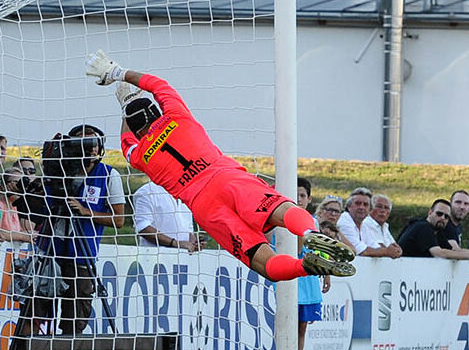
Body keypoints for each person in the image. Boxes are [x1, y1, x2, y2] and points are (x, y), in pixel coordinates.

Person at [84, 49, 356, 280]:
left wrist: (125, 106)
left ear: (137, 131)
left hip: (204, 205)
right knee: (281, 209)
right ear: (158, 111)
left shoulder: (141, 154)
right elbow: (159, 85)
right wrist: (119, 72)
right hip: (225, 177)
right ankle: (310, 232)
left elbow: (126, 143)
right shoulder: (179, 116)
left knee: (263, 263)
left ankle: (303, 267)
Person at [45, 123, 126, 335]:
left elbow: (119, 220)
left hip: (82, 255)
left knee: (76, 317)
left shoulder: (109, 175)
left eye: (93, 143)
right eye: (82, 142)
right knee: (36, 311)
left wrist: (85, 211)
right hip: (50, 249)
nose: (89, 148)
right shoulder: (59, 170)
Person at [295, 177, 330, 350]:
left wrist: (326, 271)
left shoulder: (312, 221)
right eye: (295, 195)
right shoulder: (283, 218)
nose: (298, 199)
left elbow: (317, 247)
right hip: (290, 277)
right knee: (287, 326)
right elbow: (297, 250)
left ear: (309, 199)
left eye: (302, 196)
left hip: (308, 281)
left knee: (301, 327)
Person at [399, 199, 469, 261]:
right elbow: (439, 253)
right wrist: (468, 256)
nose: (442, 218)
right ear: (430, 212)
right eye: (439, 214)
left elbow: (452, 251)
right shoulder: (422, 227)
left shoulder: (437, 231)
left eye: (446, 216)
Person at [133, 180, 204, 252]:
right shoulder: (147, 191)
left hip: (184, 258)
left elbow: (188, 229)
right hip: (155, 257)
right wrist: (175, 243)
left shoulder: (185, 192)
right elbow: (142, 227)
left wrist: (193, 243)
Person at [0, 167, 37, 247]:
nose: (19, 187)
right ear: (4, 184)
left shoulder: (14, 207)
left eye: (22, 183)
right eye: (16, 182)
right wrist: (23, 236)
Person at [358, 194, 402, 259]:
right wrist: (389, 250)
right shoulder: (365, 223)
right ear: (370, 209)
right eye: (379, 207)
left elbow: (395, 248)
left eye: (386, 208)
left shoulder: (385, 227)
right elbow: (377, 247)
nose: (383, 211)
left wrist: (397, 250)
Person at [336, 187, 372, 255]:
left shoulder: (365, 224)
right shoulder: (344, 221)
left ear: (369, 209)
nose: (361, 207)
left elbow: (373, 245)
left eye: (365, 204)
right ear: (349, 207)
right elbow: (360, 251)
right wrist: (387, 251)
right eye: (358, 203)